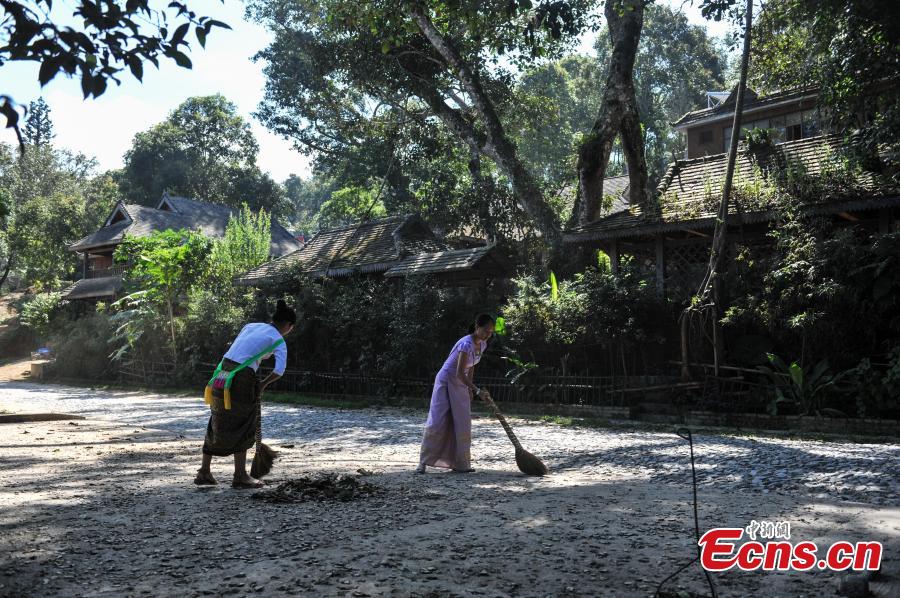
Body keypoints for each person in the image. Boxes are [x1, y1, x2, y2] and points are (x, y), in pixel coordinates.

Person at [195, 300, 296, 488]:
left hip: (222, 372)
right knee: (244, 421)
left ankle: (204, 471)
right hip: (241, 377)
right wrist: (263, 384)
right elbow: (279, 370)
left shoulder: (251, 326)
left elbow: (241, 349)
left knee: (217, 418)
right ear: (288, 325)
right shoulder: (278, 340)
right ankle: (240, 475)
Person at [416, 314, 495, 474]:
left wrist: (469, 389)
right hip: (446, 381)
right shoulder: (466, 344)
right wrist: (477, 390)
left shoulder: (483, 344)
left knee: (462, 421)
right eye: (486, 330)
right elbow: (459, 372)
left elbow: (471, 367)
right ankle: (423, 462)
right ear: (477, 327)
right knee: (438, 420)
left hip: (461, 383)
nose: (488, 334)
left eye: (491, 332)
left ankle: (461, 463)